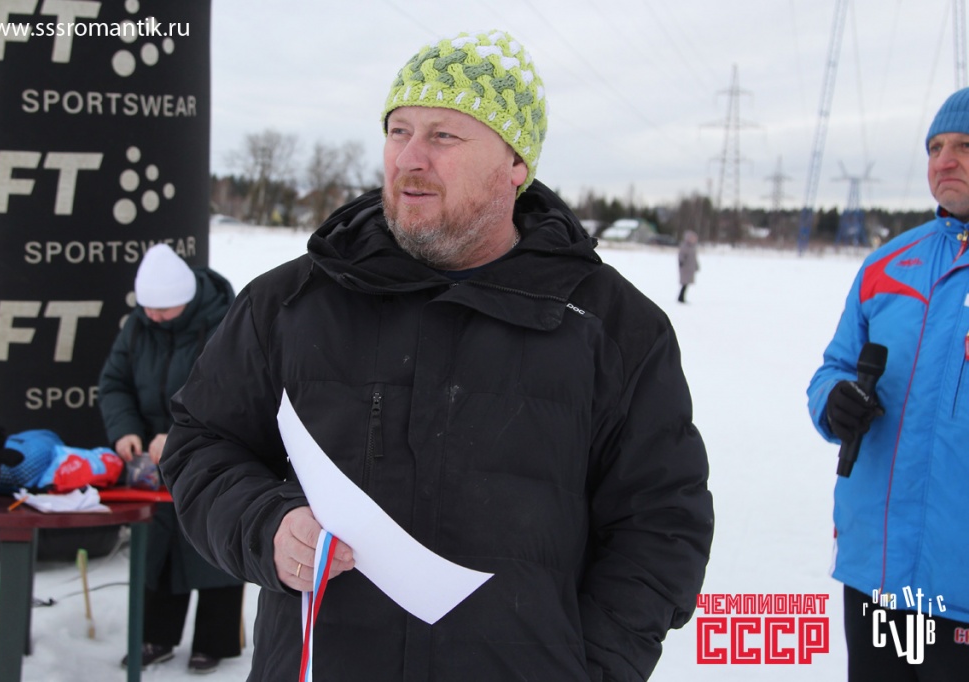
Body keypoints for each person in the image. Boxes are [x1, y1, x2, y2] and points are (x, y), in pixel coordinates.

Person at [161, 29, 713, 682]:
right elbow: (201, 444)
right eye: (398, 131)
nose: (410, 158)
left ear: (515, 163)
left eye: (444, 136)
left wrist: (593, 668)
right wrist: (264, 526)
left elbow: (661, 525)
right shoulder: (288, 304)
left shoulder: (614, 330)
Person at [808, 87, 969, 681]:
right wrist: (834, 402)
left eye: (964, 146)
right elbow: (834, 367)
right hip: (875, 573)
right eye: (934, 147)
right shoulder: (887, 265)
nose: (944, 160)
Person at [97, 243, 243, 675]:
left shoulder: (226, 323)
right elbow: (115, 382)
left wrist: (179, 434)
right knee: (157, 547)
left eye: (163, 309)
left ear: (186, 298)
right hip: (151, 460)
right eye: (148, 309)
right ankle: (155, 635)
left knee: (214, 543)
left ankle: (215, 641)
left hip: (214, 453)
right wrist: (125, 429)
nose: (154, 317)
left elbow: (232, 393)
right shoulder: (139, 326)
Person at [677, 230, 699, 303]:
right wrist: (681, 261)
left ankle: (682, 298)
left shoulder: (693, 247)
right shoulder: (685, 246)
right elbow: (681, 255)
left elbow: (694, 258)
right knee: (684, 284)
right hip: (685, 268)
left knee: (686, 284)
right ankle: (681, 298)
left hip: (690, 268)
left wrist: (696, 266)